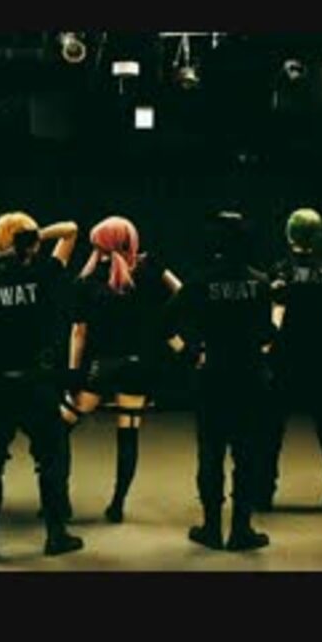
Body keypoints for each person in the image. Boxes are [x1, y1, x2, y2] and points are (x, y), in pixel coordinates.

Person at [0, 211, 83, 561]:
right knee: (51, 460)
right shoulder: (46, 273)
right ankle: (56, 536)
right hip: (37, 383)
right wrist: (34, 237)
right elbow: (72, 230)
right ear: (29, 242)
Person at [59, 215, 182, 523]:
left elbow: (79, 333)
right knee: (128, 435)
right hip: (138, 365)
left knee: (59, 428)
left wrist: (73, 373)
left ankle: (57, 496)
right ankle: (117, 505)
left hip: (102, 366)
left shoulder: (88, 281)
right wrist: (161, 324)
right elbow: (183, 292)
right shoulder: (150, 266)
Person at [164, 212, 272, 551]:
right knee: (247, 455)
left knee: (210, 454)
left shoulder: (200, 282)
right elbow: (268, 333)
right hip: (250, 377)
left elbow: (165, 323)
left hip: (211, 378)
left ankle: (211, 528)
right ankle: (241, 530)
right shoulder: (260, 282)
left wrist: (189, 353)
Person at [256, 208, 322, 511]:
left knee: (271, 429)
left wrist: (263, 352)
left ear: (289, 235)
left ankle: (263, 490)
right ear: (318, 236)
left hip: (285, 360)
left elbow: (276, 317)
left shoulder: (280, 271)